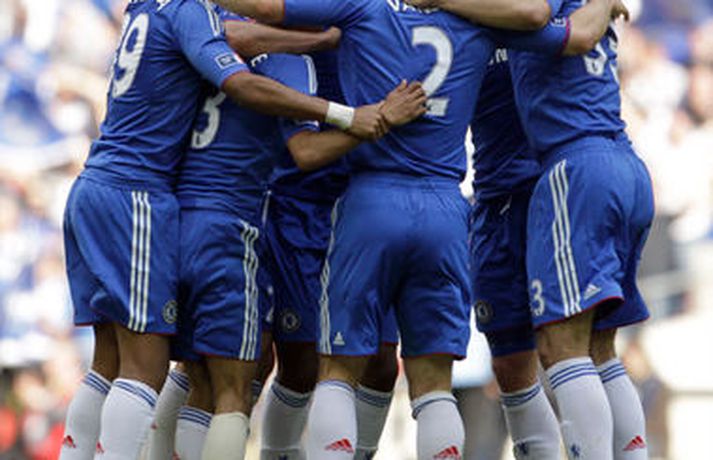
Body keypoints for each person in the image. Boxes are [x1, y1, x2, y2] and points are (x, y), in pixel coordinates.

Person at [210, 0, 617, 458]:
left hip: (371, 202)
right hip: (445, 210)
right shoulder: (480, 18)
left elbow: (263, 9)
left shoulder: (362, 8)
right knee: (435, 385)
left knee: (338, 372)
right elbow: (566, 32)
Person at [59, 0, 409, 458]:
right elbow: (259, 102)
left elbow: (235, 35)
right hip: (184, 211)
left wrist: (317, 38)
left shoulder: (167, 12)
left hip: (141, 201)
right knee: (220, 386)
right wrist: (353, 113)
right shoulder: (232, 34)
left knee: (141, 367)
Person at [170, 10, 427, 459]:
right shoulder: (295, 43)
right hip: (292, 208)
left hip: (368, 205)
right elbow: (304, 150)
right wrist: (366, 114)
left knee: (381, 362)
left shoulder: (386, 24)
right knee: (265, 363)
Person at [409, 0, 651, 458]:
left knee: (577, 349)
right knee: (516, 362)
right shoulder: (466, 18)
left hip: (560, 179)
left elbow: (542, 18)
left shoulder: (525, 13)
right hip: (503, 192)